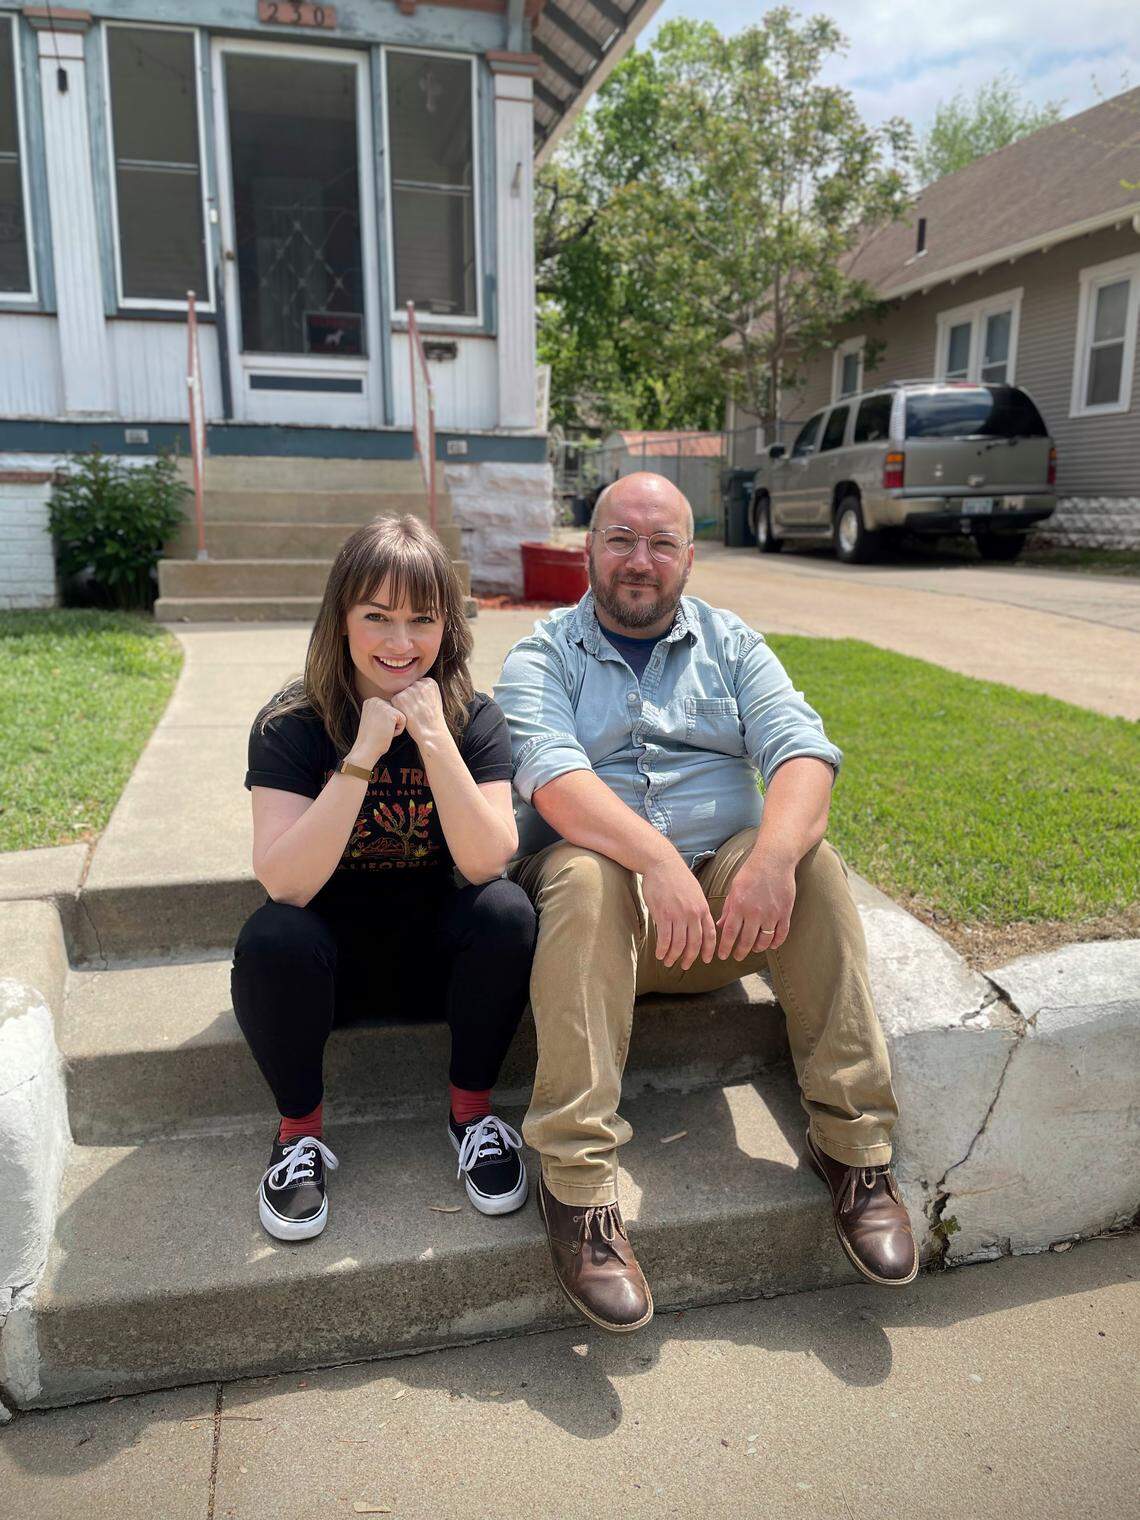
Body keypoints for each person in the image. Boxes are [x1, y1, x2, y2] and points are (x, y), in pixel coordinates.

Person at [494, 472, 916, 1333]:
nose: (638, 561)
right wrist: (651, 859)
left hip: (723, 919)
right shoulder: (541, 655)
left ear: (690, 555)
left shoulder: (733, 643)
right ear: (590, 549)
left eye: (660, 543)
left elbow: (800, 750)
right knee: (583, 867)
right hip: (597, 925)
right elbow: (551, 777)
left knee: (817, 865)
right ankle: (576, 1191)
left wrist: (772, 858)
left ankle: (855, 1151)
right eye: (620, 539)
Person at [232, 515, 537, 1242]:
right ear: (342, 620)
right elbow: (287, 883)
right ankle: (297, 1137)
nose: (400, 643)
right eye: (377, 617)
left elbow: (487, 859)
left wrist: (433, 737)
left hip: (437, 962)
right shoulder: (291, 724)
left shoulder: (473, 719)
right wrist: (363, 756)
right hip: (327, 972)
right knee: (273, 935)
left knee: (506, 911)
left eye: (421, 620)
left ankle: (472, 1116)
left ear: (447, 628)